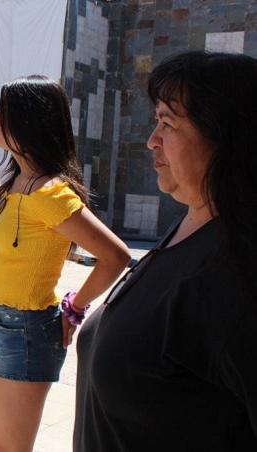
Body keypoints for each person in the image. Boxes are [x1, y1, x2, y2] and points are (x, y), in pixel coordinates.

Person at [75, 52, 257, 451]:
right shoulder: (192, 223)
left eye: (167, 122)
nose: (151, 140)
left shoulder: (238, 271)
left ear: (226, 138)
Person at [0, 75, 129, 451]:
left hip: (29, 329)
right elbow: (8, 266)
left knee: (7, 448)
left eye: (3, 112)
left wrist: (75, 306)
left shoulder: (52, 192)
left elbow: (115, 256)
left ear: (27, 120)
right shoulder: (14, 180)